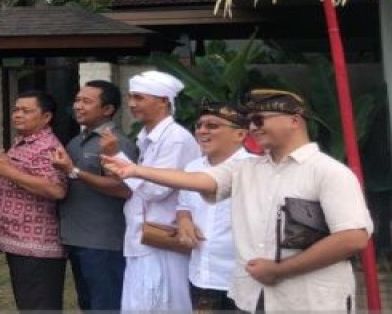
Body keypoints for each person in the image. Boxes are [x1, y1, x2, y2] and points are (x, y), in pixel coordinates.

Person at [103, 89, 373, 313]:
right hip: (251, 297)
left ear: (294, 120)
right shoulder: (246, 168)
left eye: (259, 119)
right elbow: (200, 180)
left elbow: (352, 238)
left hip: (310, 301)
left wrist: (279, 270)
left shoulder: (328, 172)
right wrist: (135, 170)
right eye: (250, 121)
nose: (253, 127)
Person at [113, 70, 200, 314]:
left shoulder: (175, 139)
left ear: (163, 101)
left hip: (162, 240)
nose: (132, 104)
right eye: (131, 97)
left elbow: (156, 190)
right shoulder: (147, 137)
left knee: (162, 305)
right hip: (143, 239)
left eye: (139, 98)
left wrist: (120, 162)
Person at [50, 80, 137, 313]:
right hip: (76, 238)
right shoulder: (76, 142)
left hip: (104, 241)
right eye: (77, 100)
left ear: (108, 109)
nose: (78, 106)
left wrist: (74, 172)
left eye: (86, 101)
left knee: (106, 305)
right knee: (87, 304)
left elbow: (123, 188)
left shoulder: (116, 143)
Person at [0, 90, 67, 312]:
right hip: (20, 243)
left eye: (26, 111)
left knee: (38, 307)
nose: (18, 115)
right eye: (16, 110)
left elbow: (56, 189)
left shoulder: (47, 146)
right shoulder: (25, 142)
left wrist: (8, 171)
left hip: (37, 247)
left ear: (46, 116)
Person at [174, 102, 256, 312]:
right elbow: (184, 204)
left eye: (212, 126)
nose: (202, 131)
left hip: (244, 279)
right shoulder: (193, 167)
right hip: (201, 275)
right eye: (199, 125)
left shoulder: (256, 168)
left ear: (240, 134)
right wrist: (183, 219)